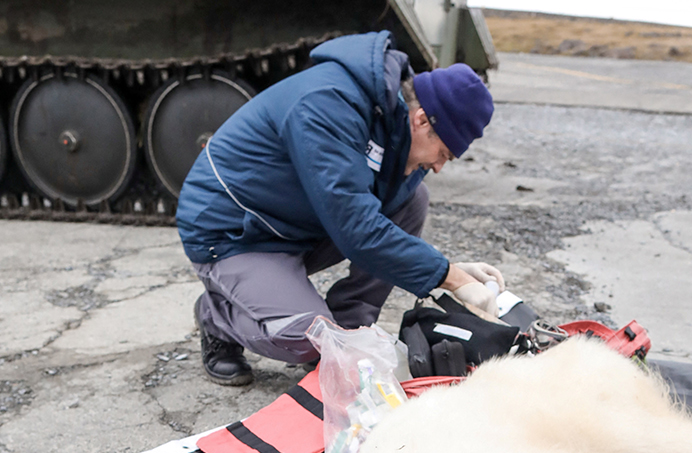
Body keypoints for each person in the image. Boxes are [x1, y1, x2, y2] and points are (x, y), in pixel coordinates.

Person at [176, 31, 503, 387]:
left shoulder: (392, 118)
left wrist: (447, 268)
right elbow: (357, 228)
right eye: (443, 154)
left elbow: (370, 216)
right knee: (308, 338)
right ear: (422, 120)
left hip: (292, 223)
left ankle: (347, 330)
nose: (439, 167)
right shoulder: (328, 103)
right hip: (234, 232)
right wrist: (450, 277)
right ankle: (216, 316)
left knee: (413, 200)